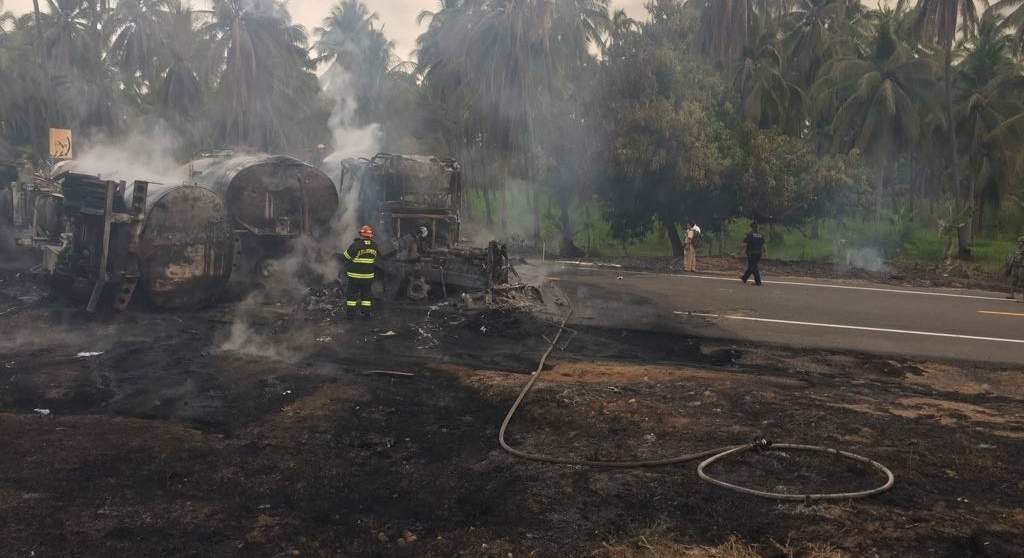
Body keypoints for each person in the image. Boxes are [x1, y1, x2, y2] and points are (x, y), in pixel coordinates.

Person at [342, 225, 379, 319]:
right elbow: (376, 258)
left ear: (361, 234)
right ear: (371, 235)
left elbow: (346, 257)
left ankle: (350, 315)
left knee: (352, 296)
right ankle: (366, 314)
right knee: (366, 295)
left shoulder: (356, 245)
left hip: (355, 277)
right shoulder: (374, 246)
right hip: (368, 277)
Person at [741, 222, 767, 286]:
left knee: (753, 267)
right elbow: (764, 244)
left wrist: (739, 251)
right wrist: (765, 252)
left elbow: (744, 244)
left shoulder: (750, 234)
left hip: (751, 253)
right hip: (758, 253)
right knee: (752, 266)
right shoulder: (761, 234)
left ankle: (758, 282)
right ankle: (744, 278)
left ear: (751, 227)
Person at [1007, 236, 1024, 302]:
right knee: (1013, 280)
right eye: (1019, 241)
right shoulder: (1016, 248)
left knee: (1022, 281)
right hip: (1015, 265)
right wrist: (1010, 264)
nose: (1019, 243)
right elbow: (1013, 256)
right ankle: (1012, 295)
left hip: (1022, 266)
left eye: (1021, 242)